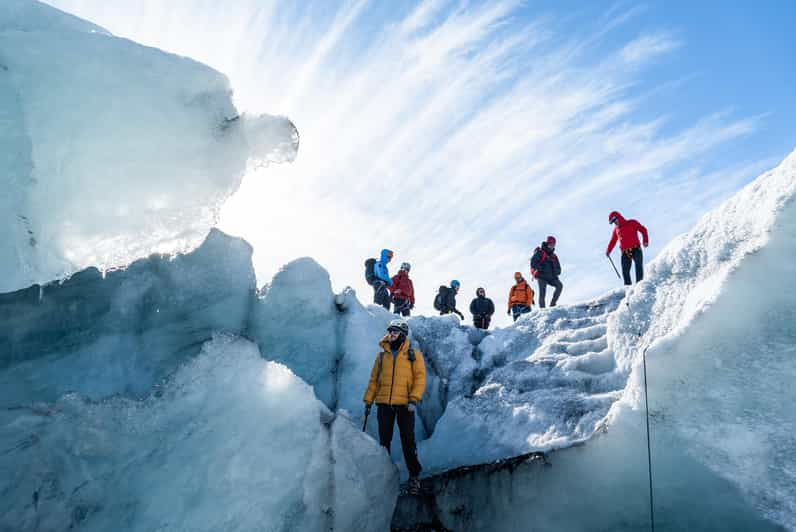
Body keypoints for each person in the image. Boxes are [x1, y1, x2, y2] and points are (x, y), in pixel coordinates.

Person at [363, 319, 427, 495]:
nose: (391, 334)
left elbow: (420, 379)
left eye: (395, 332)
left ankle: (414, 477)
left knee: (408, 441)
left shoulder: (414, 355)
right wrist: (368, 400)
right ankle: (383, 479)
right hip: (384, 404)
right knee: (384, 443)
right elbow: (374, 380)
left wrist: (414, 399)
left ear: (403, 335)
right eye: (391, 331)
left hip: (405, 406)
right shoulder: (382, 356)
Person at [606, 211, 649, 285]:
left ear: (618, 217)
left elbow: (643, 230)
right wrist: (608, 250)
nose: (615, 223)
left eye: (615, 220)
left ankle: (639, 285)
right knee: (625, 271)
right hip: (625, 252)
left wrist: (645, 240)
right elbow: (613, 241)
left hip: (636, 249)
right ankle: (628, 288)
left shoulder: (632, 222)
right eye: (613, 222)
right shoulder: (616, 230)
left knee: (638, 266)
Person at [531, 236, 563, 308]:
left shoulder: (554, 256)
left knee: (560, 286)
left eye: (554, 244)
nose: (552, 246)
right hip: (542, 277)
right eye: (551, 244)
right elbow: (533, 263)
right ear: (547, 243)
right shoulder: (540, 252)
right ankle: (542, 310)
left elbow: (559, 269)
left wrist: (555, 272)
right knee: (542, 294)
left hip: (552, 277)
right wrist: (542, 269)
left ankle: (553, 304)